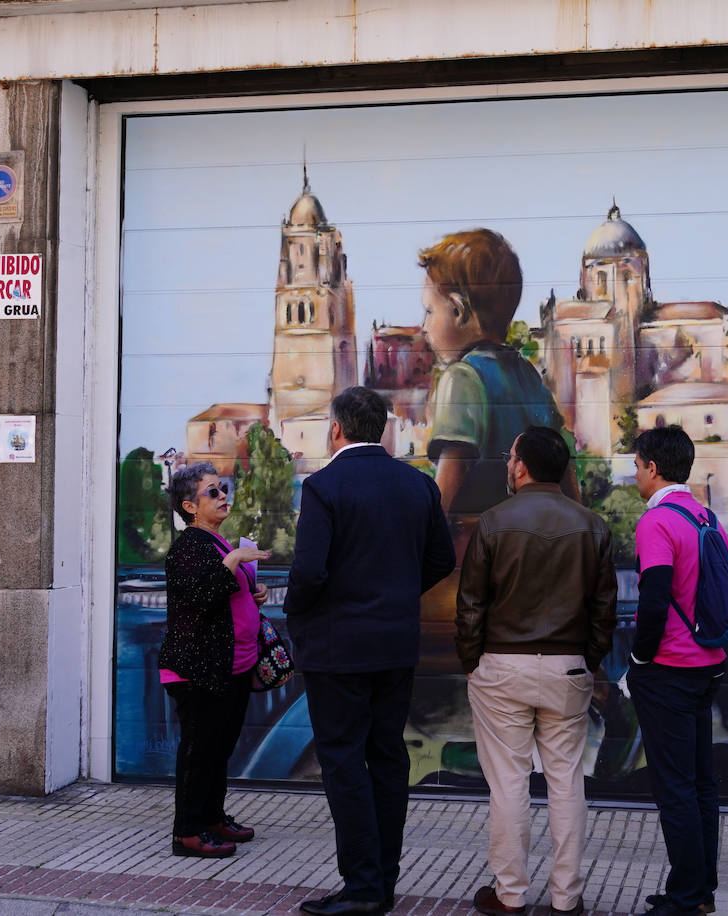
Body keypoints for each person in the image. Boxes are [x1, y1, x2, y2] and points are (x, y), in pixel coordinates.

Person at [284, 386, 456, 916]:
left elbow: (310, 570)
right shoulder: (418, 485)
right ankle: (382, 880)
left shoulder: (323, 486)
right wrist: (398, 595)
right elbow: (442, 559)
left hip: (336, 648)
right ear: (381, 427)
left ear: (336, 429)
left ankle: (360, 887)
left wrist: (299, 615)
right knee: (387, 757)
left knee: (342, 761)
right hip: (395, 645)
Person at [455, 426, 617, 916]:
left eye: (510, 456)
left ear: (521, 466)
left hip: (502, 666)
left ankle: (510, 895)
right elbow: (605, 609)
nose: (508, 463)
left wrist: (473, 661)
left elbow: (470, 606)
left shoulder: (492, 522)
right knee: (567, 781)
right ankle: (567, 898)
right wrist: (587, 662)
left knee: (508, 783)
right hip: (568, 667)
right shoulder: (593, 526)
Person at [627, 426, 727, 916]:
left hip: (668, 667)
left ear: (652, 467)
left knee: (675, 788)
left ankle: (685, 897)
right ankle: (700, 890)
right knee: (701, 783)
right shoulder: (707, 517)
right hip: (708, 663)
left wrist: (639, 658)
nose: (634, 473)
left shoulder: (657, 522)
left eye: (636, 464)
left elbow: (655, 596)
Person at [159, 461, 271, 858]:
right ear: (190, 507)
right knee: (198, 751)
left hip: (230, 666)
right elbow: (202, 596)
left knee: (219, 748)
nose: (223, 496)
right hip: (197, 669)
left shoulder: (219, 543)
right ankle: (187, 832)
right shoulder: (188, 547)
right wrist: (236, 560)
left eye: (222, 488)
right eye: (213, 492)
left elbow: (228, 595)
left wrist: (253, 595)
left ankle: (212, 817)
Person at [418, 228, 572, 516]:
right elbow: (566, 473)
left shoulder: (461, 378)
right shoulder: (529, 376)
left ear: (458, 310)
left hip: (480, 547)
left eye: (428, 311)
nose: (423, 327)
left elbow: (445, 494)